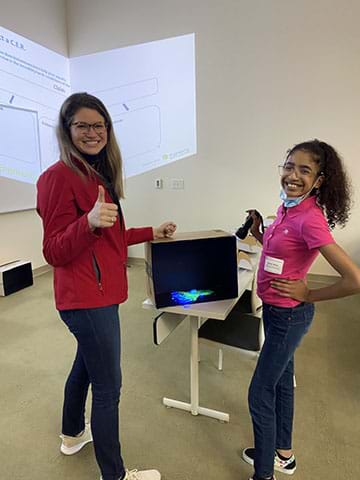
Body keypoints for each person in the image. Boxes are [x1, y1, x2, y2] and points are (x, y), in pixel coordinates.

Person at [36, 92, 176, 480]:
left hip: (102, 292)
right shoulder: (56, 178)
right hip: (85, 299)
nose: (92, 132)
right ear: (67, 130)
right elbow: (52, 250)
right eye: (82, 125)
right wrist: (88, 223)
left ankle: (71, 435)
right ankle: (114, 475)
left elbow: (110, 237)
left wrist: (152, 231)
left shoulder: (97, 175)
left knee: (85, 366)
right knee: (109, 387)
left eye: (99, 125)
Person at [241, 140, 360, 480]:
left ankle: (263, 474)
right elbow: (284, 251)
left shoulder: (310, 219)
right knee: (280, 384)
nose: (293, 175)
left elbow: (354, 279)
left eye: (305, 170)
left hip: (289, 316)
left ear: (320, 180)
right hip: (277, 312)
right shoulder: (288, 208)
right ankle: (283, 454)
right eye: (289, 166)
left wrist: (309, 293)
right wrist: (260, 235)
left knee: (259, 391)